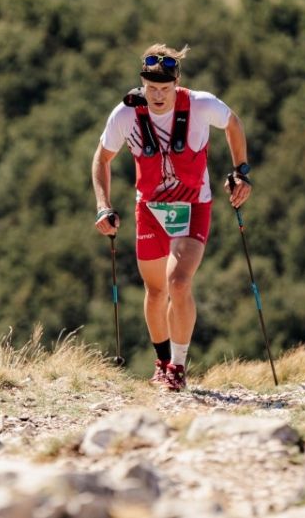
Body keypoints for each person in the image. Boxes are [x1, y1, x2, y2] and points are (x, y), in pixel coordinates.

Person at [92, 44, 252, 391]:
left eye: (165, 89)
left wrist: (241, 171)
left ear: (177, 83)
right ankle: (161, 361)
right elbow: (101, 159)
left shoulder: (200, 104)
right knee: (155, 290)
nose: (158, 96)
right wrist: (103, 205)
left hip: (194, 206)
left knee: (178, 282)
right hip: (150, 210)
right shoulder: (125, 114)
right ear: (142, 83)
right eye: (152, 89)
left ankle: (178, 367)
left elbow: (233, 123)